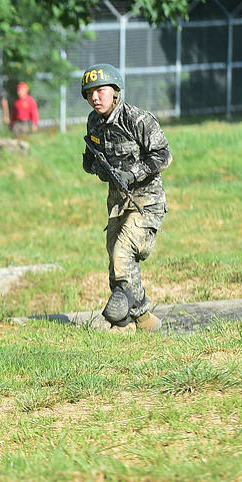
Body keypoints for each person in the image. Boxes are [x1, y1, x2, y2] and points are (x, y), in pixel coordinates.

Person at [79, 64, 171, 333]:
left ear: (116, 92)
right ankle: (142, 321)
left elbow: (163, 155)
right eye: (89, 93)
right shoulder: (94, 122)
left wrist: (132, 174)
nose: (95, 97)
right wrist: (96, 167)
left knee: (123, 253)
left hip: (146, 202)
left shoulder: (138, 120)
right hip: (118, 204)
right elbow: (91, 158)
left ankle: (120, 318)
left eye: (101, 91)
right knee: (116, 264)